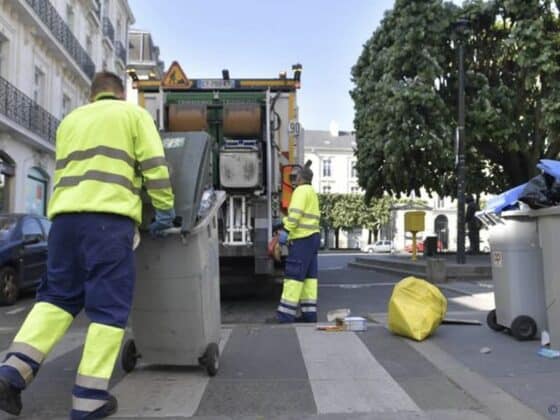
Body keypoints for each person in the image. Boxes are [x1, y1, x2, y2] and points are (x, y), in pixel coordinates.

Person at [0, 71, 175, 419]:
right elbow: (155, 166)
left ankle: (11, 374)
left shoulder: (70, 121)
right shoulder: (132, 115)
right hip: (108, 221)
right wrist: (166, 209)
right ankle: (89, 398)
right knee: (109, 309)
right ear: (120, 94)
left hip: (64, 222)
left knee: (55, 300)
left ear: (92, 94)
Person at [270, 160, 321, 323]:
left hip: (302, 239)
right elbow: (303, 216)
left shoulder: (299, 191)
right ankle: (309, 314)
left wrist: (285, 230)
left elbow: (296, 215)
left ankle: (285, 315)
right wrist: (284, 222)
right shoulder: (311, 192)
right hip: (313, 237)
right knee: (309, 278)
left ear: (301, 178)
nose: (294, 180)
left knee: (293, 277)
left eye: (295, 177)